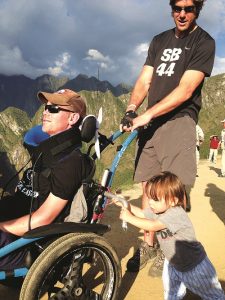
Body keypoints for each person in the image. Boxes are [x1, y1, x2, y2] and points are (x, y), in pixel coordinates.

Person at [120, 0, 215, 275]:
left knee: (172, 191)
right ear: (171, 8)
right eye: (177, 7)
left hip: (178, 120)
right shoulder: (159, 40)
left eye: (189, 8)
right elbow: (144, 80)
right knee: (148, 187)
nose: (182, 14)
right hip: (149, 123)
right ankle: (148, 244)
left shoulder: (203, 42)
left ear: (198, 10)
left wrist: (148, 115)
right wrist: (131, 109)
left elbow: (186, 90)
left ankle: (169, 248)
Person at [0, 89, 93, 270]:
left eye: (54, 109)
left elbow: (44, 219)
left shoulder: (71, 162)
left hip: (28, 244)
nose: (45, 112)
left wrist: (2, 227)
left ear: (73, 119)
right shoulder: (46, 154)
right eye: (45, 107)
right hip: (16, 225)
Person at [114, 171, 225, 299]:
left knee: (214, 296)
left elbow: (152, 226)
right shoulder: (159, 209)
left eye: (155, 199)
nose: (150, 202)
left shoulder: (176, 213)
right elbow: (143, 213)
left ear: (173, 201)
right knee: (171, 293)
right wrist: (125, 204)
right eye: (149, 197)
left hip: (194, 266)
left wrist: (129, 218)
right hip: (173, 263)